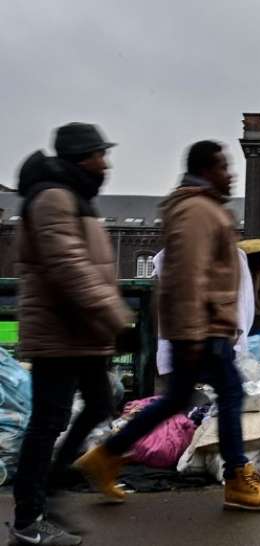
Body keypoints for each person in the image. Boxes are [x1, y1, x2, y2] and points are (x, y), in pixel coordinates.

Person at [76, 140, 260, 512]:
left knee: (178, 399)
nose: (231, 173)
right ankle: (238, 479)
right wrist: (195, 333)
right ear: (207, 170)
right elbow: (186, 276)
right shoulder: (197, 212)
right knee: (230, 395)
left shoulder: (199, 209)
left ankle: (105, 456)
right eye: (224, 166)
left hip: (202, 327)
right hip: (202, 329)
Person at [10, 123, 133, 546]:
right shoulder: (53, 199)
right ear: (83, 157)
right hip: (59, 332)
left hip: (80, 332)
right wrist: (114, 314)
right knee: (47, 423)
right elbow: (70, 268)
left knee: (101, 403)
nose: (106, 162)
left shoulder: (74, 197)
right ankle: (29, 519)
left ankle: (54, 490)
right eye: (101, 154)